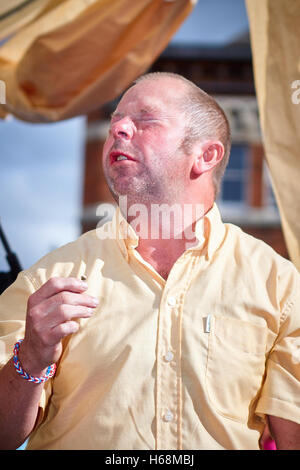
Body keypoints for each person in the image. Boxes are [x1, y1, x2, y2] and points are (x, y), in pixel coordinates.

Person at [0, 72, 300, 450]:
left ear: (205, 155)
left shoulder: (279, 284)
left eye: (146, 120)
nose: (120, 128)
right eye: (114, 122)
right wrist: (31, 356)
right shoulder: (46, 281)